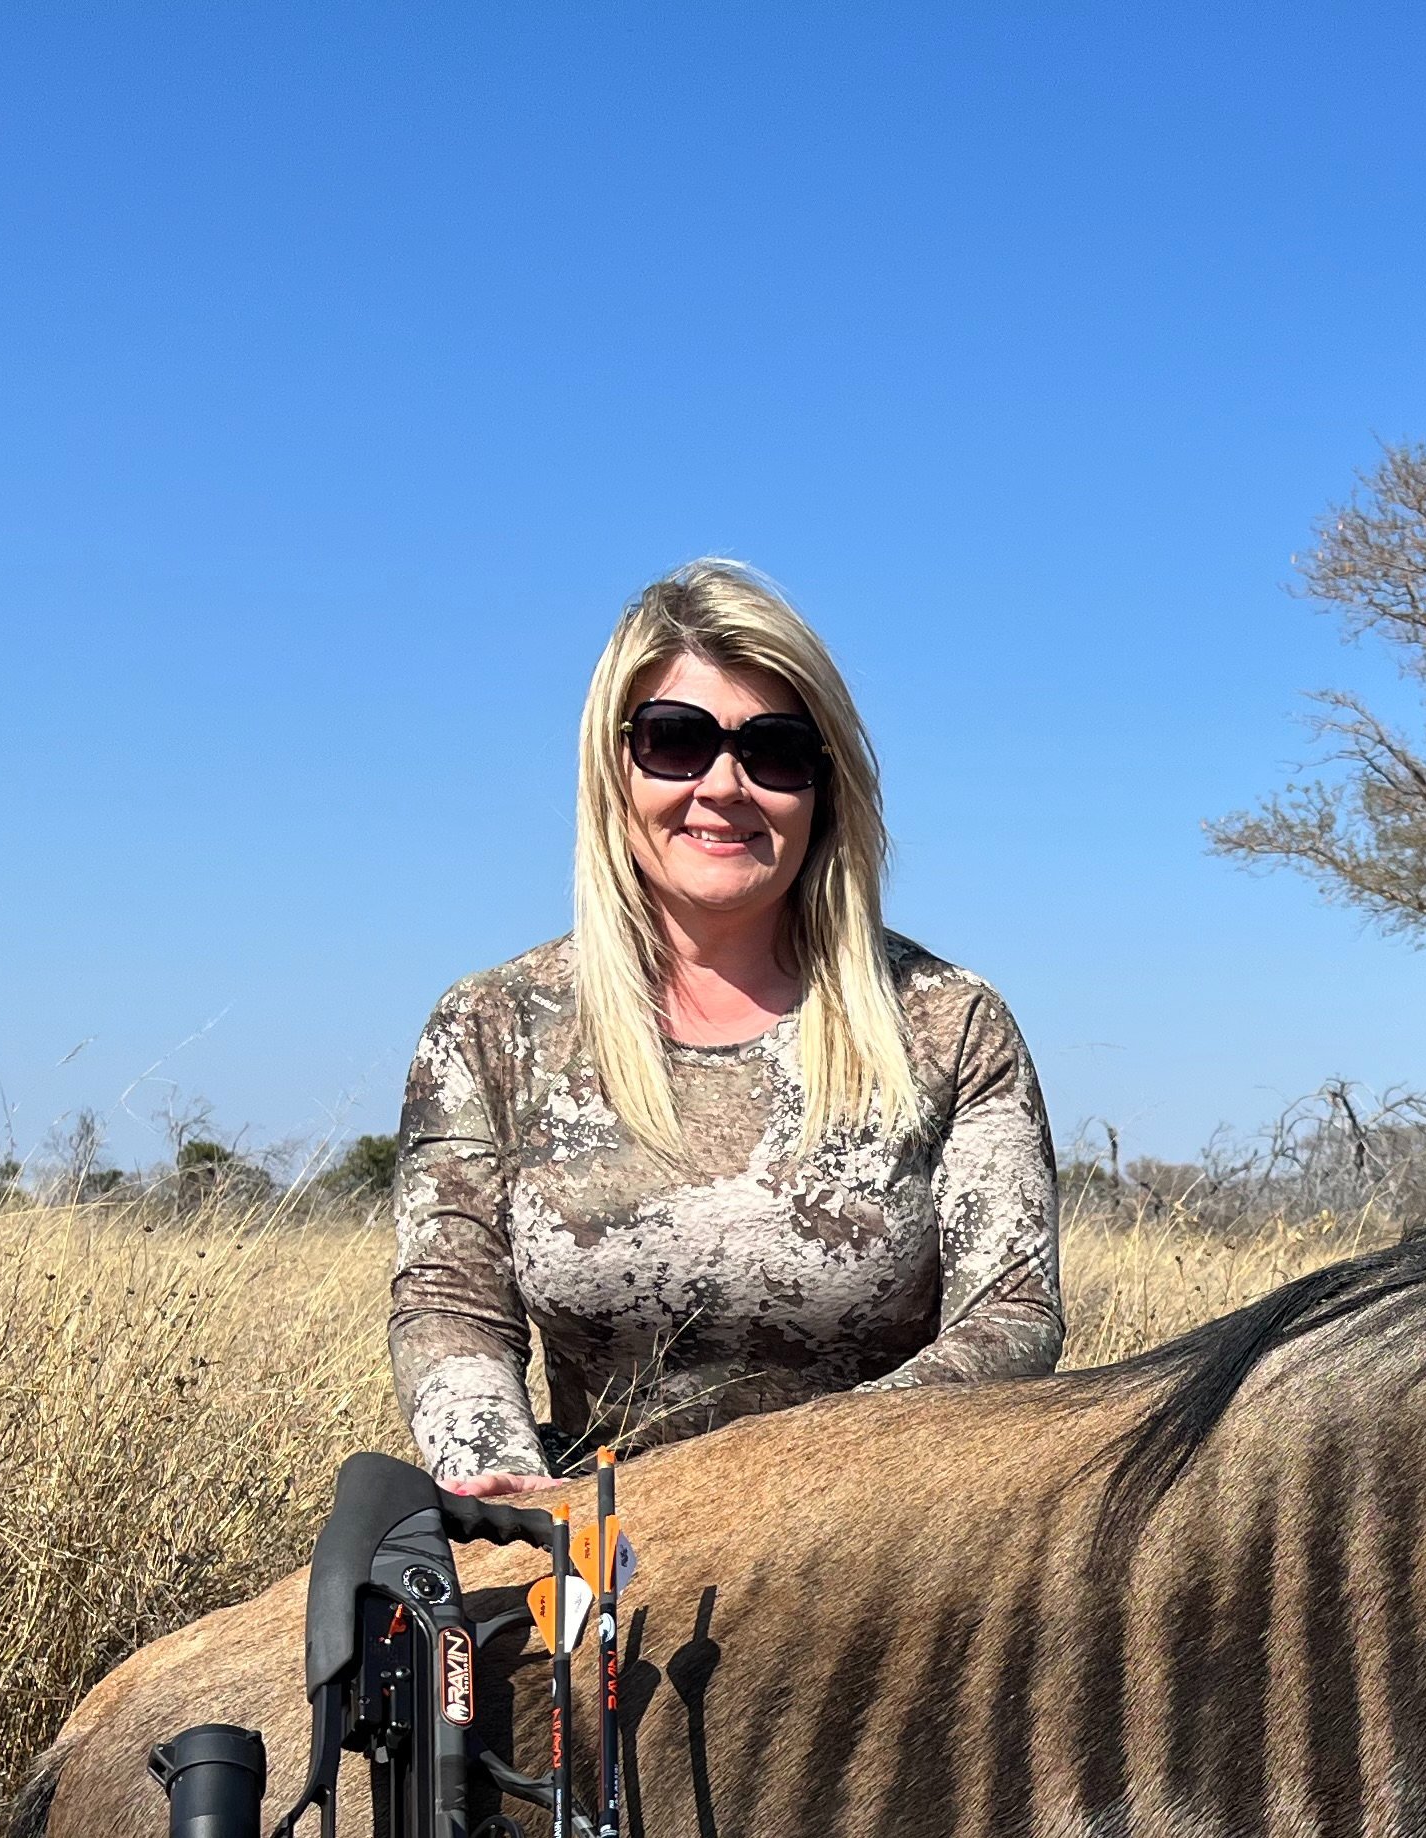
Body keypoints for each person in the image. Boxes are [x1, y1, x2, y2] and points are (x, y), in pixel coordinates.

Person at [391, 560, 1062, 1499]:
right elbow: (449, 1305)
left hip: (888, 1536)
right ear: (613, 767)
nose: (724, 786)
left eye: (775, 752)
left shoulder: (952, 1021)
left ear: (826, 790)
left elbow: (1012, 1321)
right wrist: (497, 1472)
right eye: (676, 741)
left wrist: (770, 1497)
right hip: (591, 1538)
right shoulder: (489, 1025)